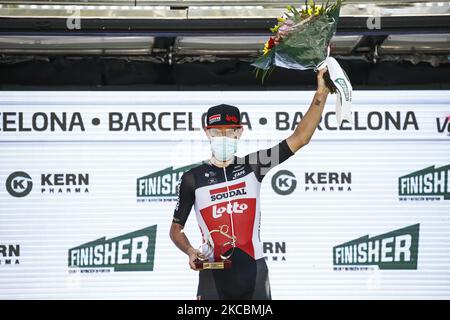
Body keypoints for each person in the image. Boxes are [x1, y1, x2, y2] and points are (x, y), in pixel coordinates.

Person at [170, 68, 330, 300]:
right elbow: (176, 229)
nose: (223, 137)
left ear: (239, 132)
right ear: (207, 133)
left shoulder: (254, 165)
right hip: (213, 275)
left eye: (230, 132)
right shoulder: (192, 178)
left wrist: (322, 92)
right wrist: (190, 251)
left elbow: (300, 138)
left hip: (254, 272)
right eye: (216, 132)